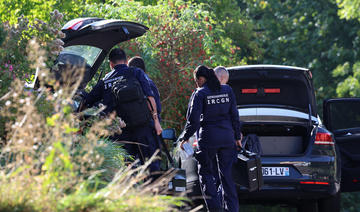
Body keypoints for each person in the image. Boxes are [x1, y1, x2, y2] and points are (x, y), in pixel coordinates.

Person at [82, 48, 162, 173]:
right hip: (143, 126)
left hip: (120, 131)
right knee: (152, 164)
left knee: (124, 167)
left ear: (111, 64)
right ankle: (154, 190)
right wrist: (156, 122)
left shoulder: (105, 81)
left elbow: (88, 102)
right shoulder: (136, 72)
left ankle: (128, 189)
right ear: (125, 61)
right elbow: (150, 97)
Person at [181, 65, 242, 212]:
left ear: (202, 78)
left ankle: (214, 209)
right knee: (227, 177)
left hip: (208, 139)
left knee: (206, 174)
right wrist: (237, 136)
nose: (197, 84)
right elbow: (235, 115)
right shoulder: (227, 90)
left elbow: (194, 120)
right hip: (227, 138)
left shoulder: (200, 93)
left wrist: (185, 137)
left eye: (197, 81)